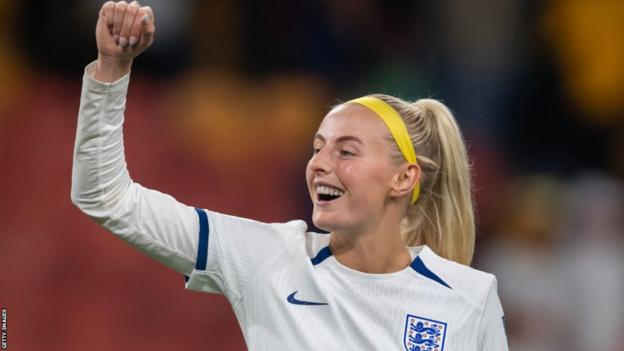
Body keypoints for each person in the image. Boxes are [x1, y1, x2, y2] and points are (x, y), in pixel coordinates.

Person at [71, 1, 509, 349]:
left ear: (403, 178)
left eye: (346, 151)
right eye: (317, 147)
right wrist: (112, 71)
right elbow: (106, 198)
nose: (319, 163)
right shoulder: (268, 260)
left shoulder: (470, 297)